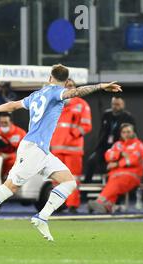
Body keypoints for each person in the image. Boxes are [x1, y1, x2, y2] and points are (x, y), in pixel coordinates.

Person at [0, 64, 122, 245]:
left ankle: (42, 217)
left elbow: (13, 105)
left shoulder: (36, 95)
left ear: (50, 78)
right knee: (10, 187)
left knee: (69, 182)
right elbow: (75, 93)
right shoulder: (57, 92)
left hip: (41, 150)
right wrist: (101, 86)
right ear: (65, 82)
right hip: (33, 148)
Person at [50, 78, 92, 213]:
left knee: (72, 178)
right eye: (66, 86)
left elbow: (86, 125)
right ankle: (57, 205)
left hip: (73, 149)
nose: (69, 88)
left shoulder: (82, 104)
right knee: (56, 179)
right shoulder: (56, 103)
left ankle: (73, 204)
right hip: (56, 148)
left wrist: (72, 134)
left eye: (71, 85)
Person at [88, 123, 143, 214]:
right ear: (121, 134)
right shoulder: (117, 144)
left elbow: (133, 160)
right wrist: (120, 154)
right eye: (124, 132)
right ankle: (107, 206)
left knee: (116, 182)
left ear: (133, 132)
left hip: (132, 176)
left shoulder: (138, 145)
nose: (126, 134)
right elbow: (108, 155)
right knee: (114, 181)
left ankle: (99, 201)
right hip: (115, 175)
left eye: (128, 132)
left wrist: (117, 163)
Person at [84, 96, 135, 183]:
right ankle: (85, 187)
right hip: (104, 147)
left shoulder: (128, 117)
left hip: (118, 148)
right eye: (113, 104)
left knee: (113, 166)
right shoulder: (106, 115)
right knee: (91, 161)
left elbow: (132, 135)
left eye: (118, 104)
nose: (115, 106)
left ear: (123, 105)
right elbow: (102, 131)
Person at [0, 113, 26, 180]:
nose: (3, 125)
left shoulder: (20, 133)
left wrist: (8, 156)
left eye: (6, 123)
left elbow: (24, 152)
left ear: (11, 122)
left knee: (13, 161)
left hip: (14, 157)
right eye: (1, 122)